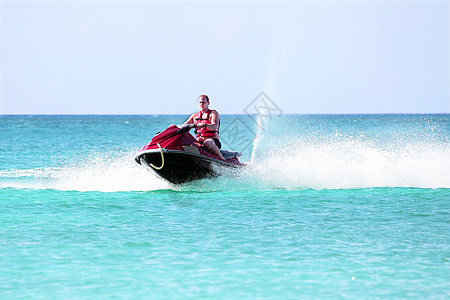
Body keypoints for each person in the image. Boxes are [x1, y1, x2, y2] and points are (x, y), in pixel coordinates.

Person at [184, 94, 225, 160]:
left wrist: (204, 125)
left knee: (207, 142)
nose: (201, 104)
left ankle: (222, 160)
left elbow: (214, 126)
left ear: (208, 103)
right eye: (200, 102)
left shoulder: (213, 113)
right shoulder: (194, 116)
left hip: (213, 142)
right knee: (187, 144)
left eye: (203, 102)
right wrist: (174, 127)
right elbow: (184, 126)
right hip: (200, 142)